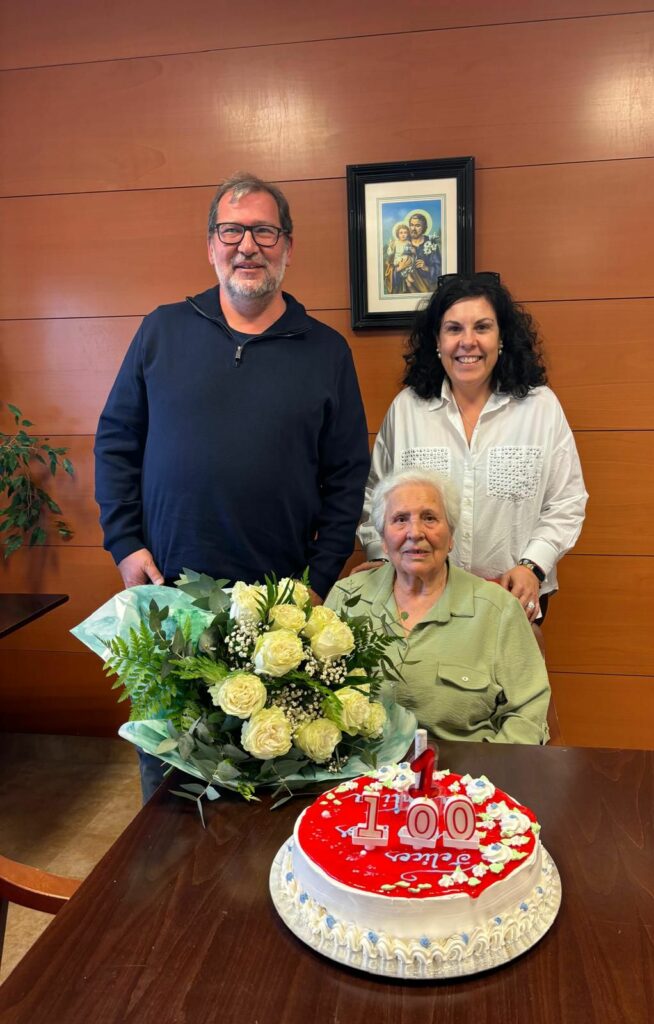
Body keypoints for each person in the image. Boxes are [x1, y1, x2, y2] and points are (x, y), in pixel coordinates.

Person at [95, 171, 370, 799]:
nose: (248, 245)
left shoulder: (326, 351)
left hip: (279, 610)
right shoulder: (161, 331)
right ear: (211, 245)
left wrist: (319, 580)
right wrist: (124, 543)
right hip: (166, 598)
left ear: (288, 246)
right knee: (168, 772)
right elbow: (115, 441)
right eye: (232, 230)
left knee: (267, 772)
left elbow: (348, 474)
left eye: (264, 231)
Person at [356, 273, 587, 635]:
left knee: (511, 691)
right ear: (437, 340)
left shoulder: (541, 408)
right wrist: (383, 559)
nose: (468, 342)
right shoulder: (407, 410)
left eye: (482, 327)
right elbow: (375, 499)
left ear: (502, 338)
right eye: (453, 329)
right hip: (418, 595)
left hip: (513, 594)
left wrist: (533, 566)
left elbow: (566, 502)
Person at [326, 470, 550, 744]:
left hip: (465, 776)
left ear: (451, 535)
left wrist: (483, 777)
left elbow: (528, 712)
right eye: (400, 519)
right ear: (383, 539)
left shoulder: (498, 610)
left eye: (429, 518)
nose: (415, 533)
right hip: (364, 772)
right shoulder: (347, 598)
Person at [403, 212, 441, 293]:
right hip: (408, 289)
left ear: (424, 227)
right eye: (411, 225)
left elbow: (439, 269)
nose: (413, 228)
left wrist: (426, 268)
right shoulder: (404, 243)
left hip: (427, 287)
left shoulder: (431, 243)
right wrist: (401, 267)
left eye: (417, 226)